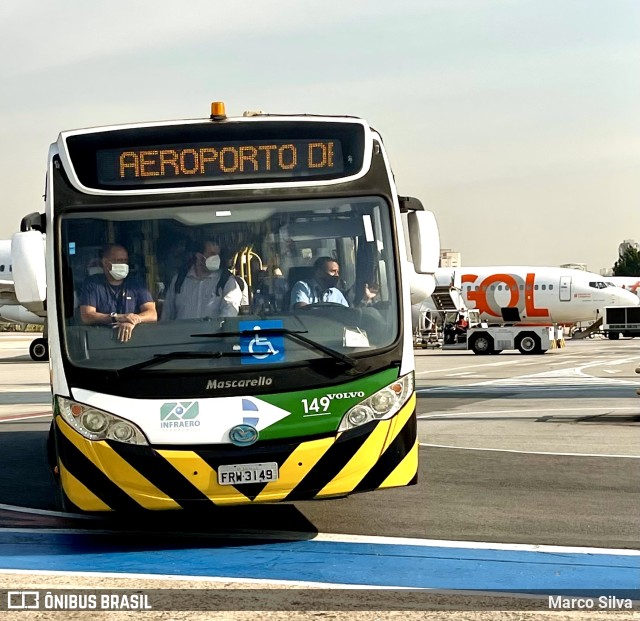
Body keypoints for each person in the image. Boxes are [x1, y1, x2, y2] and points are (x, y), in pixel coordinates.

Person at [79, 243, 157, 342]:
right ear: (106, 263)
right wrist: (116, 318)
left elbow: (152, 313)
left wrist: (134, 320)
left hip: (135, 340)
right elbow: (87, 316)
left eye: (125, 261)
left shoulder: (136, 283)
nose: (123, 265)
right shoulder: (92, 284)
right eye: (119, 261)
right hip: (101, 340)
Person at [161, 239, 242, 320]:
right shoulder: (179, 280)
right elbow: (167, 314)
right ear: (199, 256)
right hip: (183, 332)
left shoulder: (226, 281)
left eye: (218, 254)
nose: (216, 258)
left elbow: (229, 313)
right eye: (212, 254)